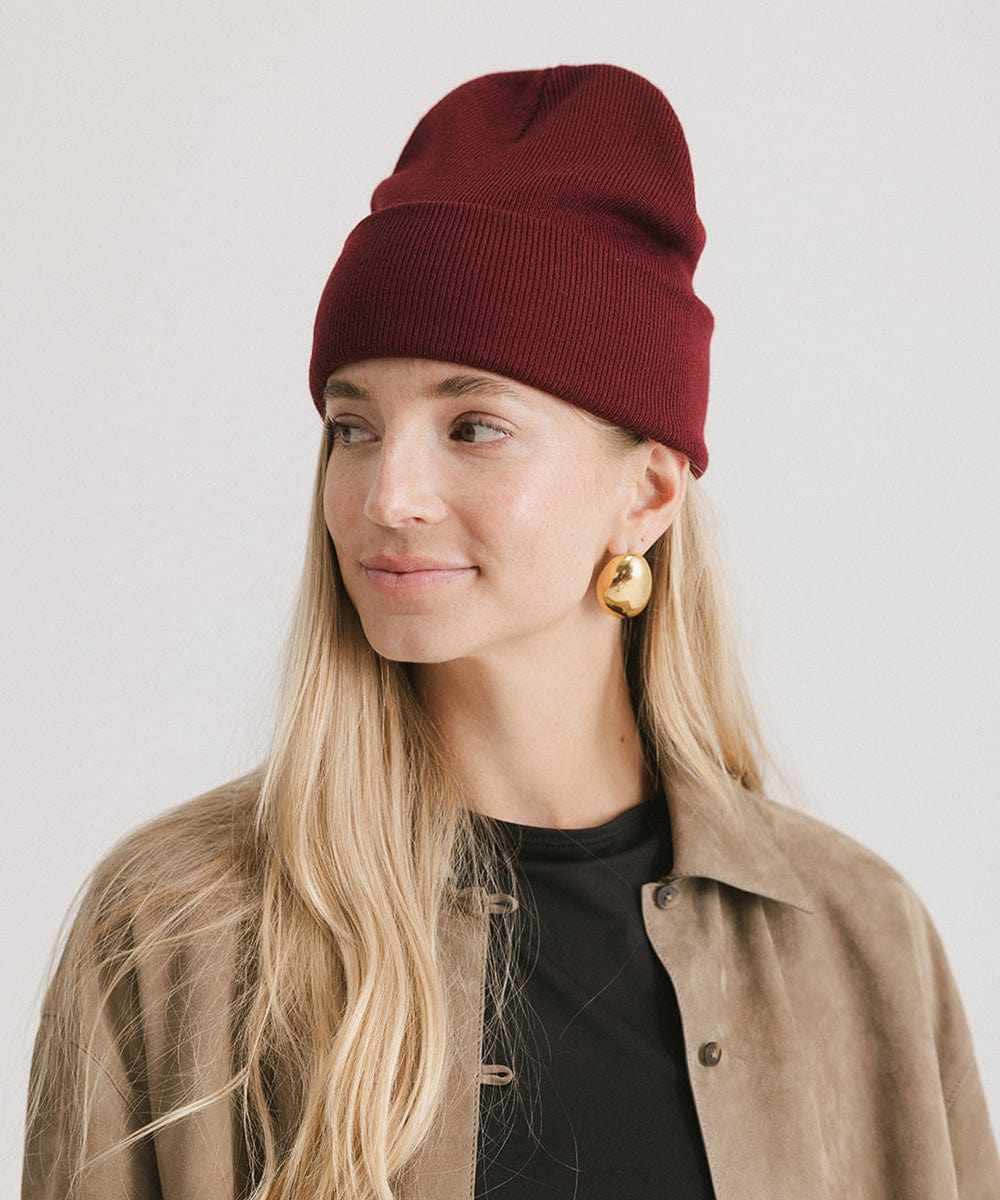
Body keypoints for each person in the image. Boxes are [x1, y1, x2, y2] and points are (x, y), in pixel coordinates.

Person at [21, 63, 999, 1200]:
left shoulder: (858, 943)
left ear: (646, 493)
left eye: (473, 425)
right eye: (353, 426)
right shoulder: (174, 931)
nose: (388, 496)